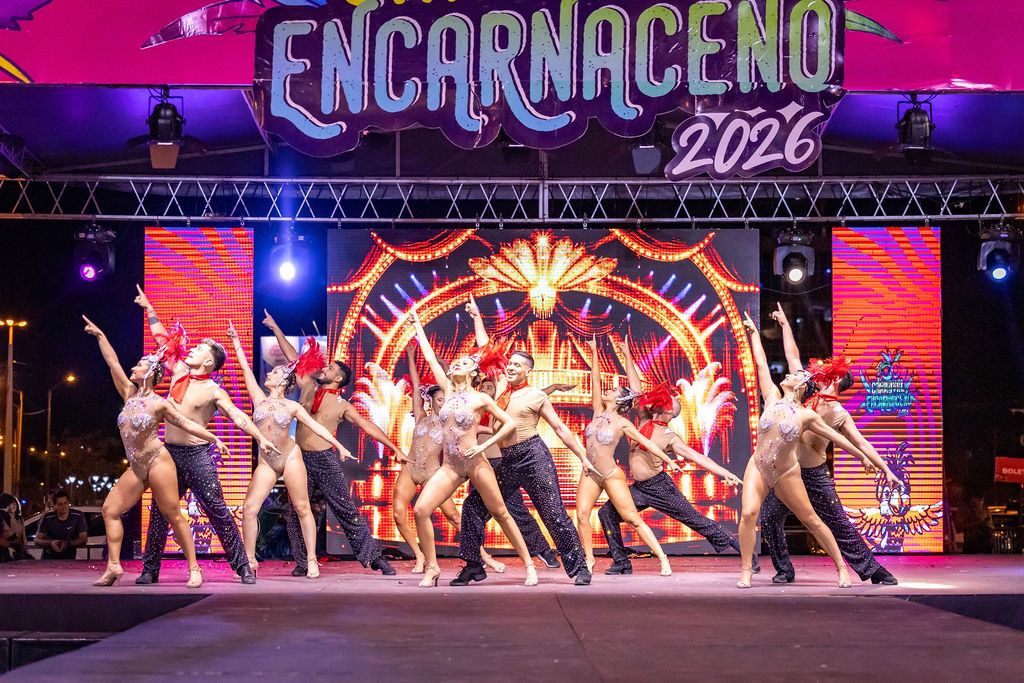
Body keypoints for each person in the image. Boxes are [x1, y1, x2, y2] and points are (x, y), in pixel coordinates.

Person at [134, 286, 277, 586]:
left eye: (199, 349)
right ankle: (150, 568)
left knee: (217, 510)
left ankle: (242, 566)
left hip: (197, 455)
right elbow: (161, 339)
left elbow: (238, 416)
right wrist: (149, 309)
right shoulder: (177, 372)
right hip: (168, 455)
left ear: (209, 362)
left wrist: (260, 438)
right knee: (161, 510)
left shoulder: (214, 391)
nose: (192, 350)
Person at [454, 301, 597, 586]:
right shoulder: (500, 387)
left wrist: (583, 456)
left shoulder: (535, 395)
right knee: (473, 506)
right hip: (506, 460)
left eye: (517, 365)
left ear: (528, 371)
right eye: (510, 363)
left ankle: (579, 567)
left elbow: (560, 429)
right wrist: (477, 317)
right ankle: (473, 565)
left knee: (553, 513)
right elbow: (486, 348)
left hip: (533, 457)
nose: (510, 367)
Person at [737, 312, 880, 589]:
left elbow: (838, 439)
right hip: (758, 465)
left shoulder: (807, 415)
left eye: (794, 374)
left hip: (787, 472)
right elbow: (761, 364)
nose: (789, 373)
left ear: (802, 385)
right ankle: (746, 570)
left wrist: (863, 456)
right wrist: (754, 333)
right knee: (749, 514)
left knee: (812, 520)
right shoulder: (772, 397)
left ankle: (842, 568)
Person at [84, 315, 227, 587]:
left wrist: (213, 438)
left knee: (172, 514)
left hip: (157, 461)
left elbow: (186, 423)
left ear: (151, 372)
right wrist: (100, 335)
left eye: (139, 365)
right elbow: (112, 362)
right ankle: (113, 566)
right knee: (110, 509)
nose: (133, 367)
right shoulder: (128, 393)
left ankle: (194, 568)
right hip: (137, 465)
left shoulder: (160, 403)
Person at [263, 310, 402, 577]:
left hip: (325, 459)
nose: (324, 368)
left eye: (330, 369)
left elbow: (368, 426)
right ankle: (303, 561)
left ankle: (375, 558)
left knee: (346, 509)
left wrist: (394, 448)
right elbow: (292, 356)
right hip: (299, 458)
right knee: (296, 509)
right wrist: (275, 327)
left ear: (338, 379)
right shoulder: (307, 386)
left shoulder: (342, 405)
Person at [599, 338, 752, 576]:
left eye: (664, 402)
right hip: (639, 488)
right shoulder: (643, 420)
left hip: (660, 487)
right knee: (606, 513)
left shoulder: (670, 436)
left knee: (695, 520)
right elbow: (636, 389)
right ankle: (621, 562)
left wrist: (725, 473)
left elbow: (699, 458)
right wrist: (628, 354)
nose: (656, 401)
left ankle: (744, 552)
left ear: (669, 411)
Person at [407, 307, 538, 587]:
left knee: (501, 512)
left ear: (473, 372)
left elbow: (508, 424)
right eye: (455, 362)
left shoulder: (481, 398)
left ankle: (529, 565)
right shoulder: (446, 390)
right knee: (420, 510)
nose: (456, 364)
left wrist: (483, 446)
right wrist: (418, 325)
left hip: (476, 462)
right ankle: (432, 567)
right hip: (451, 466)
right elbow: (429, 356)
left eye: (463, 363)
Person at [228, 321, 356, 579]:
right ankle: (249, 561)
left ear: (283, 381)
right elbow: (246, 370)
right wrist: (236, 342)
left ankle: (311, 560)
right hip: (267, 461)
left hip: (290, 457)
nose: (269, 373)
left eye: (274, 372)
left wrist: (340, 446)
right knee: (250, 508)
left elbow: (318, 428)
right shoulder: (259, 398)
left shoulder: (292, 406)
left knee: (302, 507)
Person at [576, 336, 681, 576]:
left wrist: (669, 461)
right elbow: (595, 380)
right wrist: (594, 352)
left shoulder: (623, 423)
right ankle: (589, 560)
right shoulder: (597, 411)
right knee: (581, 515)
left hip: (611, 475)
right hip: (590, 473)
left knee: (632, 518)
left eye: (613, 390)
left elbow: (647, 443)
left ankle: (663, 558)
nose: (608, 390)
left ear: (620, 400)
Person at [398, 346, 505, 574]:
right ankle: (421, 557)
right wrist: (411, 357)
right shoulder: (421, 417)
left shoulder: (454, 419)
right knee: (399, 513)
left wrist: (488, 439)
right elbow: (417, 387)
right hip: (411, 468)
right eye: (437, 399)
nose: (440, 402)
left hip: (434, 473)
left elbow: (486, 427)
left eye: (442, 398)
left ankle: (485, 557)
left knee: (455, 518)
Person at [34, 489, 87, 561]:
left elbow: (84, 538)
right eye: (60, 504)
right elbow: (37, 540)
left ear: (69, 503)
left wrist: (68, 544)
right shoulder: (48, 517)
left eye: (65, 503)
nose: (64, 506)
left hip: (69, 558)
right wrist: (51, 543)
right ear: (55, 505)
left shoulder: (77, 516)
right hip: (49, 558)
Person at [0, 492, 28, 562]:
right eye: (11, 503)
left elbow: (22, 536)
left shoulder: (19, 518)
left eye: (15, 503)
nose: (14, 505)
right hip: (6, 550)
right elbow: (9, 533)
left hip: (17, 550)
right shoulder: (3, 516)